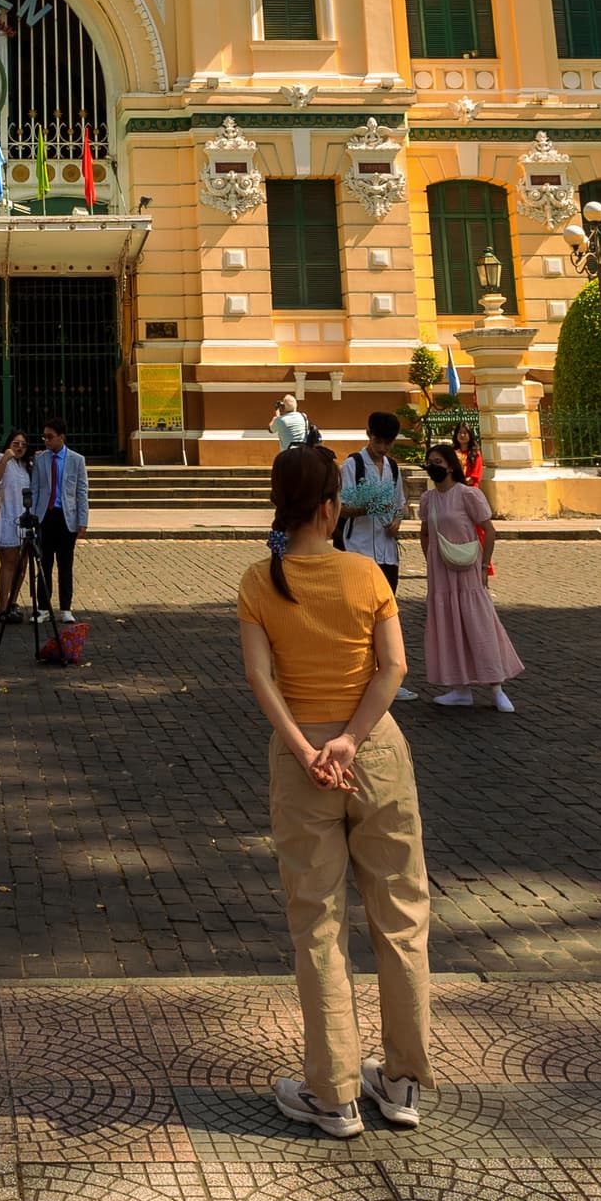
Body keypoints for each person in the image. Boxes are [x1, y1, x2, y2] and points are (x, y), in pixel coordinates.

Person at [235, 440, 431, 1140]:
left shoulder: (262, 580)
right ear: (331, 505)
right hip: (374, 749)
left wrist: (309, 750)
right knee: (401, 917)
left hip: (303, 761)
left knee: (317, 923)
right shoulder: (367, 576)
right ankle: (403, 1081)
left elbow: (261, 679)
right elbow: (394, 667)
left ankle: (334, 1093)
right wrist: (350, 740)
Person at [414, 448, 520, 712]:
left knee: (479, 624)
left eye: (437, 462)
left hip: (468, 569)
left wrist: (485, 564)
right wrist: (431, 560)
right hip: (441, 572)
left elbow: (489, 530)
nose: (432, 466)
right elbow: (425, 532)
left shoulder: (468, 494)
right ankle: (459, 687)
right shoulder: (429, 499)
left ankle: (496, 687)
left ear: (450, 466)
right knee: (449, 625)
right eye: (430, 462)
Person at [29, 416, 88, 625]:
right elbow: (35, 489)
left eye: (50, 437)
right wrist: (34, 518)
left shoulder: (76, 460)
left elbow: (82, 491)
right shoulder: (41, 459)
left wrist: (83, 521)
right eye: (44, 437)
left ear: (61, 437)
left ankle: (65, 608)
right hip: (46, 516)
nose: (46, 440)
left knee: (65, 565)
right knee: (44, 565)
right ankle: (43, 607)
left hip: (66, 518)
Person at [339, 413, 408, 587]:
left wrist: (397, 522)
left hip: (387, 552)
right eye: (378, 441)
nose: (383, 448)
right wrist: (369, 508)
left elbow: (400, 504)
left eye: (388, 443)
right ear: (369, 435)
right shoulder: (353, 465)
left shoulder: (392, 467)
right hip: (359, 548)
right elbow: (341, 508)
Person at [0, 428, 35, 623]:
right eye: (16, 443)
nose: (20, 447)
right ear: (8, 444)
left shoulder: (26, 465)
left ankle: (13, 602)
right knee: (9, 563)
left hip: (25, 519)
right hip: (7, 518)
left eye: (23, 444)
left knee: (23, 565)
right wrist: (5, 458)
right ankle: (3, 607)